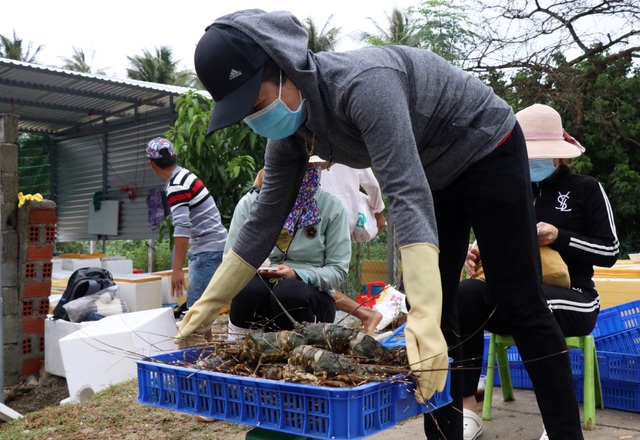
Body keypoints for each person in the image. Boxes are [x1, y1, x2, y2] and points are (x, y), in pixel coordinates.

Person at [176, 10, 585, 439]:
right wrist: (208, 302)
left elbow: (405, 193)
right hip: (432, 170)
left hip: (487, 148)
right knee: (440, 311)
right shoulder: (291, 135)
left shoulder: (365, 85)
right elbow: (262, 220)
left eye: (257, 104)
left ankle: (564, 434)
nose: (256, 118)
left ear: (284, 68)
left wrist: (420, 309)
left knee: (518, 300)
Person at [458, 104, 619, 440]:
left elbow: (610, 251)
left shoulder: (586, 188)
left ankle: (557, 419)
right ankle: (467, 407)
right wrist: (476, 254)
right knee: (465, 296)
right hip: (513, 295)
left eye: (539, 155)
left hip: (574, 297)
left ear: (560, 154)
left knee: (533, 301)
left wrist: (559, 236)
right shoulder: (509, 193)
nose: (532, 162)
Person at [225, 158, 351, 339]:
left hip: (310, 296)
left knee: (288, 291)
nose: (300, 174)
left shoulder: (332, 207)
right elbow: (230, 261)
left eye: (308, 168)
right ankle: (244, 348)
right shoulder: (251, 204)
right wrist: (254, 269)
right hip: (261, 290)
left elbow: (337, 271)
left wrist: (298, 274)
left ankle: (301, 351)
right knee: (248, 290)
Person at [145, 137, 228, 309]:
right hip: (214, 245)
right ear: (174, 156)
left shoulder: (176, 185)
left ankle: (198, 337)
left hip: (207, 250)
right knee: (203, 308)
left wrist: (177, 270)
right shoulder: (184, 175)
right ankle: (205, 337)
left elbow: (182, 227)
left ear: (152, 164)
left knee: (196, 309)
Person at [321, 163, 386, 335]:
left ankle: (365, 314)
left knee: (312, 277)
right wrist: (378, 212)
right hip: (346, 218)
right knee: (323, 277)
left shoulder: (308, 143)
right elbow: (372, 184)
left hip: (319, 218)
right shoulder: (348, 144)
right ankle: (364, 315)